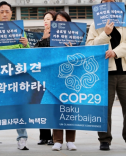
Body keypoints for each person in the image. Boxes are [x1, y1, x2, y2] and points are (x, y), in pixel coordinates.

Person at [86, 0, 126, 151]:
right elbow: (90, 46)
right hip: (105, 72)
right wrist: (105, 34)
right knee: (104, 108)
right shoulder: (95, 24)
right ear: (100, 5)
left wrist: (115, 52)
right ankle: (104, 139)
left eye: (112, 1)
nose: (109, 3)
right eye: (105, 1)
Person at [0, 1, 30, 151]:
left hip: (15, 76)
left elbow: (28, 53)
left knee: (18, 107)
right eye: (1, 11)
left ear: (11, 13)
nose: (4, 14)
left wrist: (26, 44)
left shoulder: (19, 29)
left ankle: (22, 138)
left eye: (7, 11)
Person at [50, 11, 77, 151]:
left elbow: (81, 57)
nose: (61, 24)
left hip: (71, 78)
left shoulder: (75, 38)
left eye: (64, 21)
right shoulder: (49, 39)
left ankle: (71, 140)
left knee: (70, 109)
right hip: (55, 78)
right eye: (58, 21)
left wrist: (72, 50)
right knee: (57, 109)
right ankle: (58, 141)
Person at [33, 10, 56, 147]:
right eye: (44, 19)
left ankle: (55, 136)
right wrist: (43, 38)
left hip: (55, 77)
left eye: (49, 19)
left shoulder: (59, 37)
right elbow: (36, 54)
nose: (46, 21)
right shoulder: (41, 37)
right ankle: (44, 136)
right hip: (43, 77)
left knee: (53, 107)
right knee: (43, 107)